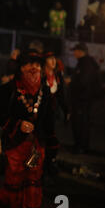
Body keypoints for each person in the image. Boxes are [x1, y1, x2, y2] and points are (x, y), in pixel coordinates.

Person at [0, 49, 52, 208]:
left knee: (32, 185)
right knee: (13, 184)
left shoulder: (45, 91)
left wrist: (51, 147)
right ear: (21, 67)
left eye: (37, 65)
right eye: (28, 64)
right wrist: (17, 124)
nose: (33, 68)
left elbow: (49, 121)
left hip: (36, 146)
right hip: (14, 144)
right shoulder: (8, 89)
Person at [67, 42, 103, 154]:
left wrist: (71, 82)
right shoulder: (84, 63)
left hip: (83, 99)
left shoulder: (86, 64)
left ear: (80, 51)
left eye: (75, 51)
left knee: (81, 123)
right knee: (81, 122)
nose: (74, 53)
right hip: (83, 99)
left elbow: (83, 82)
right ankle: (80, 145)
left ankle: (81, 146)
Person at [41, 51, 69, 181]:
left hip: (52, 113)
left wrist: (66, 110)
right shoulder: (40, 75)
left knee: (51, 139)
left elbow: (61, 94)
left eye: (54, 59)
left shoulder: (57, 76)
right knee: (40, 139)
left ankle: (49, 163)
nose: (53, 62)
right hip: (40, 113)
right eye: (50, 59)